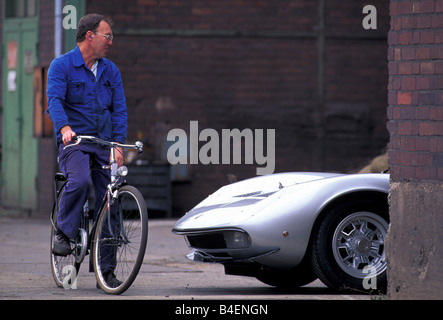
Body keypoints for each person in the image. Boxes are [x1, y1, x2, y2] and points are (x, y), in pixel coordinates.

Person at [47, 13, 127, 287]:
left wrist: (117, 143)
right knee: (79, 181)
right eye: (108, 36)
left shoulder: (110, 70)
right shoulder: (62, 66)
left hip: (103, 144)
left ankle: (106, 270)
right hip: (75, 143)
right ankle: (64, 233)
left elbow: (119, 111)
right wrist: (64, 127)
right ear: (89, 36)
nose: (111, 42)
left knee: (112, 199)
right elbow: (55, 101)